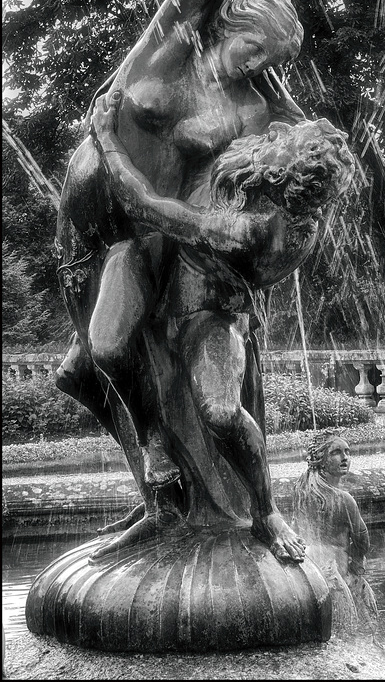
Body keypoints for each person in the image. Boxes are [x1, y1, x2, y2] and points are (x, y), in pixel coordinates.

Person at [55, 0, 385, 538]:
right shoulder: (174, 40)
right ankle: (157, 454)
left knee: (121, 362)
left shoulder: (256, 106)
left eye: (274, 61)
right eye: (257, 50)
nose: (262, 66)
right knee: (91, 365)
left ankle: (205, 498)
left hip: (167, 241)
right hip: (96, 232)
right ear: (231, 25)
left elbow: (305, 162)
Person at [88, 91, 354, 561]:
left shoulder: (243, 226)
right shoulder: (298, 186)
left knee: (220, 411)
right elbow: (291, 116)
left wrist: (108, 138)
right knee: (95, 357)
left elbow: (141, 200)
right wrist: (265, 77)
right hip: (148, 263)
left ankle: (266, 511)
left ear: (277, 177)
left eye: (277, 142)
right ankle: (153, 445)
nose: (272, 132)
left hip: (207, 307)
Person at [293, 429, 378, 633]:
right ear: (321, 460)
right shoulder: (343, 500)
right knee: (360, 632)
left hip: (309, 570)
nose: (345, 458)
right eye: (336, 452)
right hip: (336, 573)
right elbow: (363, 540)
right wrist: (356, 564)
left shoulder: (302, 491)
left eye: (347, 452)